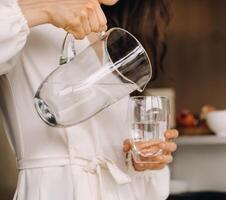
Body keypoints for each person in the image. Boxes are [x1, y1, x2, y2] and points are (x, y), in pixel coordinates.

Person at [0, 0, 178, 199]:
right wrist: (45, 8)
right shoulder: (19, 11)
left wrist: (138, 160)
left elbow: (111, 148)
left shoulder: (113, 27)